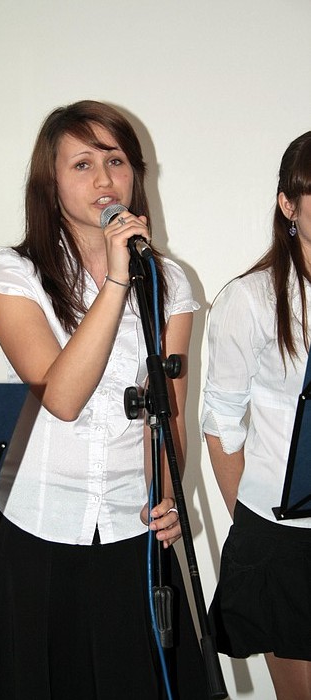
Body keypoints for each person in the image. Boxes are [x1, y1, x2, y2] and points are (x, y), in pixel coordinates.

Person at [0, 100, 207, 700]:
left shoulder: (168, 281)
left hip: (130, 526)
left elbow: (167, 412)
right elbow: (60, 397)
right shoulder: (16, 274)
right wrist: (115, 280)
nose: (104, 178)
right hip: (39, 524)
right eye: (82, 164)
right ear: (51, 182)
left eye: (116, 161)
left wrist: (167, 494)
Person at [201, 131, 311, 700]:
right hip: (282, 538)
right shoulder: (250, 299)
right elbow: (221, 423)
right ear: (288, 205)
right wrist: (252, 528)